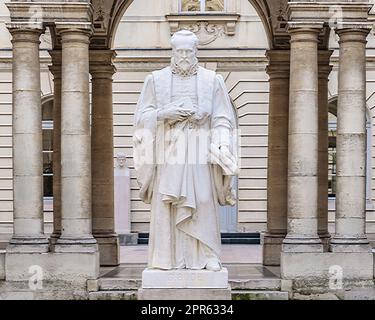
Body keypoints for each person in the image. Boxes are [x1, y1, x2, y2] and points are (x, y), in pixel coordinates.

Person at [134, 30, 237, 271]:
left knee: (202, 200)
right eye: (179, 52)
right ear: (172, 52)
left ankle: (206, 255)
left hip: (200, 150)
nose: (183, 57)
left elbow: (223, 118)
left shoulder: (213, 80)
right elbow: (141, 118)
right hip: (169, 152)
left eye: (188, 52)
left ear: (195, 53)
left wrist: (222, 141)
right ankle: (165, 258)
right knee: (168, 203)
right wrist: (163, 114)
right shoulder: (155, 80)